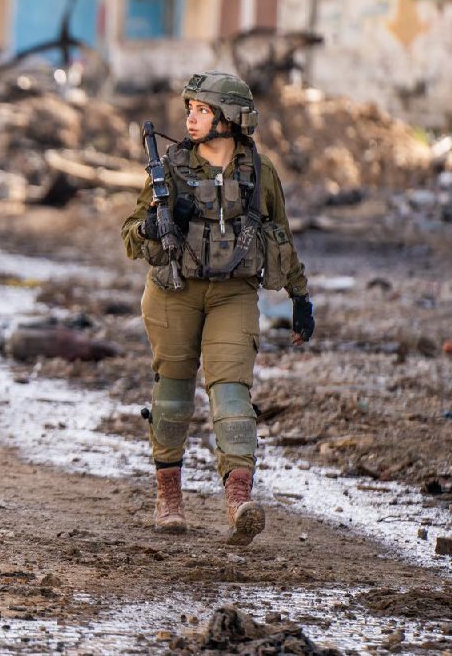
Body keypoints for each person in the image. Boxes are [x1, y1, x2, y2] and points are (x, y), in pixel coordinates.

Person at [121, 72, 314, 546]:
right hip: (174, 291)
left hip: (234, 293)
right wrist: (151, 225)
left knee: (231, 393)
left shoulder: (259, 173)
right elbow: (129, 236)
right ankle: (169, 499)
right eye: (190, 108)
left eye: (203, 110)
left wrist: (300, 298)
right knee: (173, 392)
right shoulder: (168, 168)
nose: (191, 118)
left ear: (230, 120)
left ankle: (239, 501)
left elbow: (281, 236)